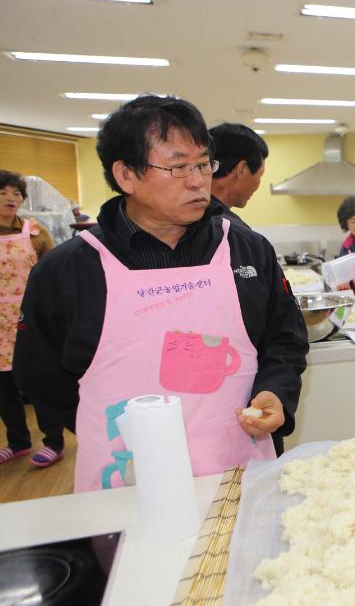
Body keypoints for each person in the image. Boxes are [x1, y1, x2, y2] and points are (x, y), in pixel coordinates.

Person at [13, 95, 307, 491]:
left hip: (238, 468)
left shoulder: (246, 249)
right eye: (178, 166)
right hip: (127, 477)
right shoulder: (68, 270)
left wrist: (275, 391)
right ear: (126, 175)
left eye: (203, 164)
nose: (198, 180)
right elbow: (40, 375)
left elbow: (284, 338)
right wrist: (105, 425)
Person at [0, 170, 62, 467]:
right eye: (2, 193)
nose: (10, 199)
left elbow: (53, 272)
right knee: (4, 387)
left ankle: (54, 441)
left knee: (38, 381)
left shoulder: (34, 231)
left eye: (15, 193)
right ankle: (18, 442)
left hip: (30, 319)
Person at [209, 123, 268, 228]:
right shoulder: (234, 235)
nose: (258, 184)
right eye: (260, 175)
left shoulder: (180, 216)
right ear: (242, 169)